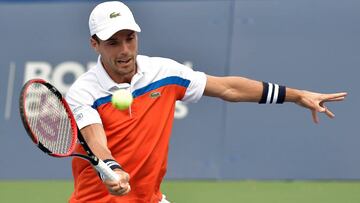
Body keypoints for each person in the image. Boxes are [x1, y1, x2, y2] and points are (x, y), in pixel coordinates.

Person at [65, 1, 347, 202]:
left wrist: (296, 96)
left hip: (149, 198)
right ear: (95, 44)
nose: (125, 50)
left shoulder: (163, 73)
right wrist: (112, 169)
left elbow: (228, 88)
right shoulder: (83, 92)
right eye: (113, 42)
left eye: (130, 38)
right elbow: (95, 141)